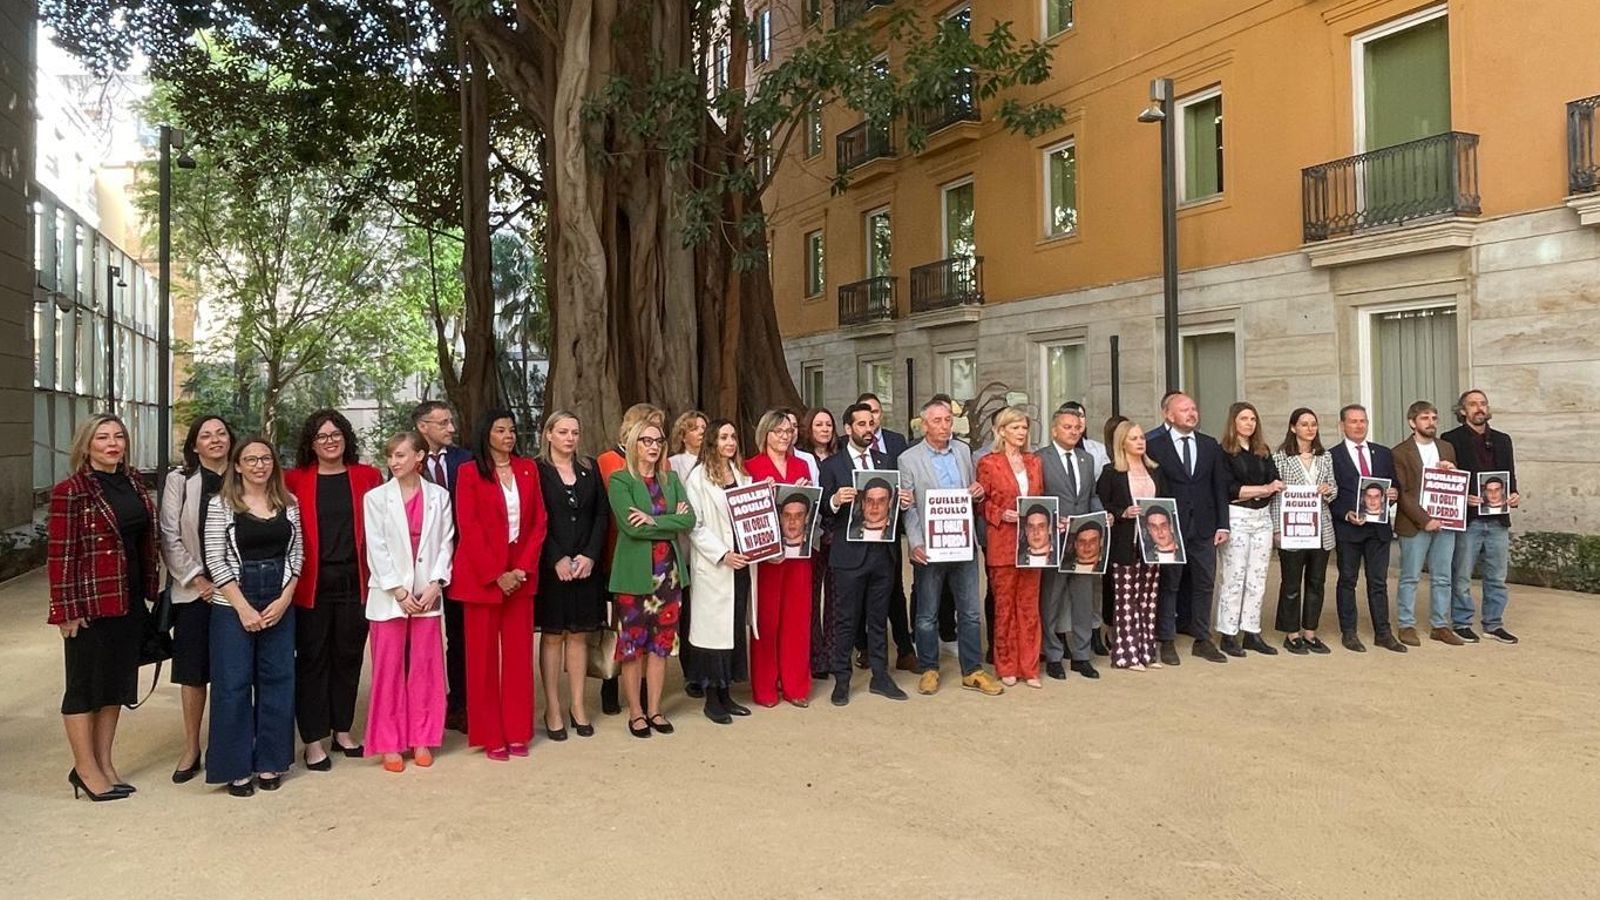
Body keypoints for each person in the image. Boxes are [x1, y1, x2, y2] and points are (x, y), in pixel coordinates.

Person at [48, 414, 159, 801]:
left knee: (115, 685)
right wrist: (65, 609)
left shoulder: (132, 482)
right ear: (87, 444)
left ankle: (105, 763)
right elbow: (60, 555)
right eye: (103, 437)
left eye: (118, 437)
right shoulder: (71, 491)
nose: (112, 443)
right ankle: (85, 768)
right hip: (89, 602)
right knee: (83, 687)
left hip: (127, 597)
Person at [204, 436, 305, 796]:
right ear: (237, 466)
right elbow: (215, 559)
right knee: (232, 685)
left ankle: (271, 762)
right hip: (233, 604)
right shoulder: (221, 504)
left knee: (278, 679)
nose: (259, 465)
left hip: (278, 599)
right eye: (251, 459)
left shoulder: (288, 503)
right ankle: (235, 768)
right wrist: (243, 607)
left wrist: (285, 597)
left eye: (266, 458)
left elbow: (298, 556)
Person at [285, 410, 383, 769]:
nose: (330, 441)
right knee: (312, 660)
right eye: (321, 436)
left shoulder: (367, 476)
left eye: (335, 434)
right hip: (311, 583)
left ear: (345, 437)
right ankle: (313, 739)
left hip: (355, 580)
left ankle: (342, 729)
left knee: (348, 657)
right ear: (311, 444)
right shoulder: (295, 480)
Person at [453, 409, 548, 759]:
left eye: (511, 430)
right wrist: (498, 574)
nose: (508, 436)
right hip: (482, 577)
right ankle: (490, 734)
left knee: (518, 657)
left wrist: (521, 569)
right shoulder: (468, 472)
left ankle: (518, 730)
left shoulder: (528, 469)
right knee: (482, 660)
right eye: (499, 430)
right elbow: (470, 526)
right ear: (486, 434)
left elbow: (539, 521)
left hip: (521, 575)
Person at [361, 432, 453, 773]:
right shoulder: (375, 499)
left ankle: (422, 737)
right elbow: (377, 548)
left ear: (419, 457)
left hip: (427, 594)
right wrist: (399, 591)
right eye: (390, 456)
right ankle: (389, 742)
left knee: (427, 668)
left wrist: (435, 584)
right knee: (388, 669)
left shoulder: (439, 497)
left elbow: (446, 542)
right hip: (389, 596)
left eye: (401, 455)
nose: (394, 462)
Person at [899, 398, 1002, 696]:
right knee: (927, 613)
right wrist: (915, 543)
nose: (945, 426)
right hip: (930, 546)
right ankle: (929, 667)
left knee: (969, 612)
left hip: (963, 542)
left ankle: (972, 670)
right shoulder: (909, 459)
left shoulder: (963, 451)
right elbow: (911, 507)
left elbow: (972, 491)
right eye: (938, 421)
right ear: (924, 425)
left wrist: (979, 493)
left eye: (947, 420)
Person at [159, 415, 236, 784]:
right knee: (193, 672)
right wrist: (200, 580)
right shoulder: (180, 482)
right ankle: (191, 746)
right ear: (195, 445)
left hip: (237, 592)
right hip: (195, 591)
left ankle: (231, 742)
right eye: (206, 435)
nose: (215, 439)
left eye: (221, 433)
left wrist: (229, 584)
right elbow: (169, 535)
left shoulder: (243, 474)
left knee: (234, 670)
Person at [607, 418, 695, 738]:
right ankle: (635, 711)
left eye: (658, 441)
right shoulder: (621, 481)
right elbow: (631, 527)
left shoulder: (670, 479)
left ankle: (655, 709)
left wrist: (654, 519)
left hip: (668, 576)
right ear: (634, 444)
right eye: (646, 441)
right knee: (633, 648)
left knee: (661, 647)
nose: (654, 446)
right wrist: (668, 520)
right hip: (634, 577)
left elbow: (689, 519)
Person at [822, 403, 913, 705]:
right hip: (848, 556)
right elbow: (822, 511)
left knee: (878, 619)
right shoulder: (833, 465)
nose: (867, 429)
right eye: (861, 424)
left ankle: (881, 677)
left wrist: (903, 502)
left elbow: (893, 507)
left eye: (871, 423)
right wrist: (835, 500)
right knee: (845, 620)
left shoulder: (885, 460)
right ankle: (842, 680)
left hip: (882, 554)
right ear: (848, 429)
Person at [534, 411, 609, 740]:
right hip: (553, 568)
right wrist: (556, 558)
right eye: (562, 432)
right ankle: (552, 707)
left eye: (575, 432)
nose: (569, 438)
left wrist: (591, 555)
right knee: (553, 637)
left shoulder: (590, 469)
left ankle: (578, 705)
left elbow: (601, 515)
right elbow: (534, 517)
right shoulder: (536, 471)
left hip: (585, 567)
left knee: (579, 636)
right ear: (548, 434)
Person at [1143, 392, 1230, 664]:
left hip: (1203, 527)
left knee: (1205, 583)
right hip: (1170, 528)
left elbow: (1219, 487)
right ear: (1168, 415)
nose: (1191, 413)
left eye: (1193, 408)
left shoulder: (1209, 445)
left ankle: (1202, 638)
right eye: (1184, 410)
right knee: (1170, 584)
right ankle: (1166, 639)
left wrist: (1222, 524)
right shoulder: (1154, 445)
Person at [682, 418, 757, 724]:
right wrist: (722, 554)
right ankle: (712, 698)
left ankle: (727, 694)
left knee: (733, 629)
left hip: (741, 563)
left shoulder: (740, 474)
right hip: (715, 566)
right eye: (724, 437)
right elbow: (694, 526)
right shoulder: (698, 477)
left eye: (734, 437)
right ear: (711, 441)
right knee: (712, 634)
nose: (730, 442)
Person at [745, 410, 816, 708]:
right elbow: (744, 511)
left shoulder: (802, 464)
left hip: (798, 554)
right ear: (765, 435)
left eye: (788, 431)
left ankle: (795, 684)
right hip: (767, 557)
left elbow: (812, 506)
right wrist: (762, 494)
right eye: (778, 431)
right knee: (768, 620)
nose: (784, 436)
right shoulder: (752, 466)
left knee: (797, 619)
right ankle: (764, 687)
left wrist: (806, 489)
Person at [597, 404, 665, 709]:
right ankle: (611, 682)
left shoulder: (665, 472)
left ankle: (644, 693)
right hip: (617, 549)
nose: (652, 441)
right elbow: (621, 516)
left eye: (658, 432)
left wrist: (657, 522)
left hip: (660, 560)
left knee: (654, 629)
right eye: (646, 431)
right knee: (622, 626)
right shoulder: (609, 462)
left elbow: (680, 515)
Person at [412, 400, 473, 733]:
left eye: (451, 422)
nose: (451, 428)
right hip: (419, 565)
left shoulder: (466, 460)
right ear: (424, 427)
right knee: (420, 637)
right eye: (444, 423)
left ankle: (461, 704)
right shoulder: (408, 460)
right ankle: (422, 707)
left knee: (461, 636)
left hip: (462, 562)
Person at [1441, 389, 1521, 644]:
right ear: (1462, 410)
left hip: (1498, 518)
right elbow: (1446, 480)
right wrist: (1462, 497)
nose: (1479, 408)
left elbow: (1510, 474)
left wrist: (1515, 494)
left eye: (1483, 403)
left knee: (1497, 576)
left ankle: (1494, 624)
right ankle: (1462, 622)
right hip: (1469, 518)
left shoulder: (1502, 439)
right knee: (1462, 574)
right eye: (1473, 404)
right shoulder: (1450, 439)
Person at [976, 406, 1046, 688]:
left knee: (1029, 606)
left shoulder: (1034, 462)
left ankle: (1029, 667)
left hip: (1032, 543)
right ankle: (1005, 664)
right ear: (1001, 431)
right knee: (1004, 607)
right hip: (1003, 541)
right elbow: (981, 501)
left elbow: (1042, 499)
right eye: (1015, 427)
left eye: (1024, 428)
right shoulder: (988, 463)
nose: (1021, 432)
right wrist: (999, 514)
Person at [1329, 404, 1405, 653]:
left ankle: (1383, 632)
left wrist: (1393, 494)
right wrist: (1345, 513)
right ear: (1342, 425)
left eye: (1363, 421)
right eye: (1353, 421)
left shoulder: (1382, 453)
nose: (1359, 425)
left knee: (1378, 582)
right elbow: (1330, 494)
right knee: (1348, 580)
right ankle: (1349, 632)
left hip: (1378, 530)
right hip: (1349, 529)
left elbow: (1392, 487)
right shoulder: (1331, 456)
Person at [1096, 421, 1170, 671]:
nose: (1140, 442)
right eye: (1134, 438)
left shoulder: (1155, 471)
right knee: (1126, 598)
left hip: (1153, 543)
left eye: (1141, 438)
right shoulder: (1111, 472)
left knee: (1149, 598)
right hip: (1125, 541)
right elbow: (1102, 504)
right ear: (1122, 443)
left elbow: (1167, 503)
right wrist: (1122, 512)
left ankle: (1147, 652)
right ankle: (1126, 654)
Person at [850, 392, 916, 672]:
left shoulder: (897, 441)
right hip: (859, 533)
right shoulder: (848, 446)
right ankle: (864, 647)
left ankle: (904, 649)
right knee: (860, 591)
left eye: (876, 412)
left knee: (895, 591)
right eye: (866, 416)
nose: (872, 420)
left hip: (890, 530)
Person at [1038, 404, 1104, 679]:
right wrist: (1054, 522)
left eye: (1077, 427)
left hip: (1084, 539)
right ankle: (1053, 654)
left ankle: (1081, 654)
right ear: (1054, 430)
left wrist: (1102, 517)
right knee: (1052, 598)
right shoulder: (1040, 458)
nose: (1074, 431)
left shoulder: (1086, 459)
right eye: (1068, 427)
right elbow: (1037, 499)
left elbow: (1090, 496)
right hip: (1055, 539)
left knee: (1083, 599)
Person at [1215, 402, 1283, 658]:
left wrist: (1266, 489)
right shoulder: (1224, 452)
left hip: (1262, 517)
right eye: (1244, 419)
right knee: (1234, 577)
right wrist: (1263, 489)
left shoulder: (1262, 451)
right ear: (1234, 422)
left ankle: (1251, 630)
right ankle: (1228, 632)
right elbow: (1230, 489)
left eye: (1253, 419)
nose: (1249, 423)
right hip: (1237, 517)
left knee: (1257, 578)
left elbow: (1274, 479)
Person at [1392, 400, 1462, 648]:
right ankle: (1406, 624)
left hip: (1446, 522)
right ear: (1412, 422)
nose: (1430, 422)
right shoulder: (1400, 452)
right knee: (1410, 577)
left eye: (1433, 418)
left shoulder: (1447, 448)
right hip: (1414, 524)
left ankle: (1440, 625)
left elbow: (1454, 487)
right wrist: (1425, 520)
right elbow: (1402, 493)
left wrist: (1452, 470)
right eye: (1424, 418)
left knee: (1443, 576)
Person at [1270, 408, 1337, 654]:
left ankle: (1310, 632)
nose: (1310, 429)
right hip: (1292, 529)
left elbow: (1335, 488)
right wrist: (1277, 529)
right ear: (1293, 428)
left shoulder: (1325, 457)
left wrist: (1328, 490)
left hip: (1320, 528)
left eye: (1313, 424)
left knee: (1316, 582)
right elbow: (1275, 498)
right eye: (1304, 424)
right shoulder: (1280, 458)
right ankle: (1292, 633)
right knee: (1291, 583)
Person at [799, 407, 838, 679]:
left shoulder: (841, 457)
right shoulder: (803, 459)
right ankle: (816, 655)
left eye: (828, 425)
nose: (824, 429)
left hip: (837, 537)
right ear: (809, 429)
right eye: (819, 425)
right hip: (812, 537)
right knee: (812, 597)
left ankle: (834, 653)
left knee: (836, 597)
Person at [667, 410, 709, 475]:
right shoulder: (673, 463)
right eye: (695, 428)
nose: (702, 431)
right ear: (683, 436)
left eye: (704, 428)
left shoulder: (715, 461)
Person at [779, 493, 814, 557]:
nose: (792, 521)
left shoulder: (814, 555)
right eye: (787, 515)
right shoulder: (767, 552)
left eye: (798, 515)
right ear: (781, 518)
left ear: (806, 518)